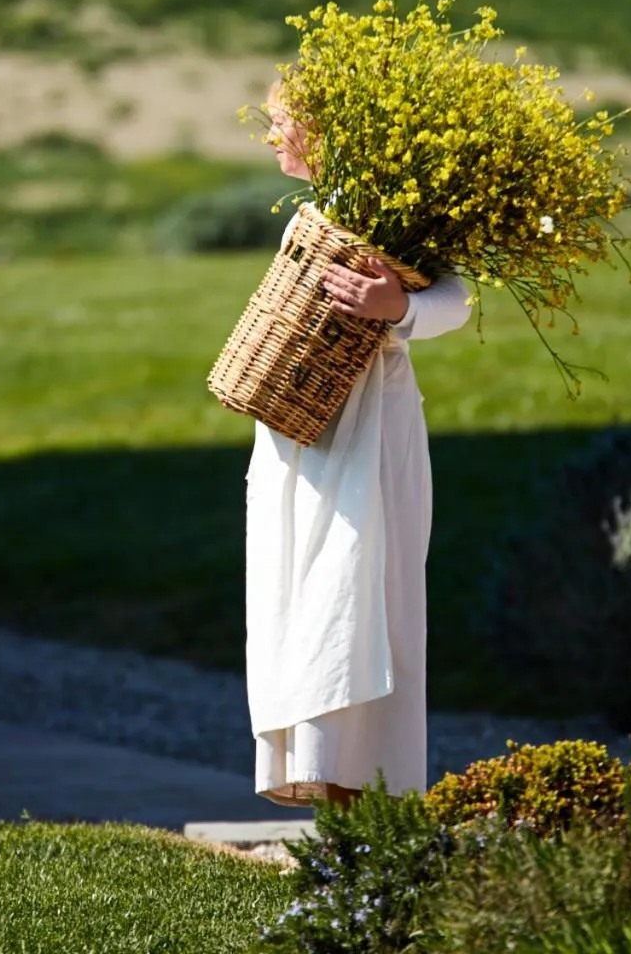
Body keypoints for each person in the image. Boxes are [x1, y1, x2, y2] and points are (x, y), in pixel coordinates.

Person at [245, 79, 472, 809]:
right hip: (297, 435)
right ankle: (330, 803)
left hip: (370, 431)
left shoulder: (386, 210)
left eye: (281, 122)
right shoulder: (318, 213)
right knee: (302, 593)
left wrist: (397, 307)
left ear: (322, 128)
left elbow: (457, 300)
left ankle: (369, 799)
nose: (272, 136)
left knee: (358, 590)